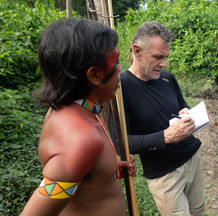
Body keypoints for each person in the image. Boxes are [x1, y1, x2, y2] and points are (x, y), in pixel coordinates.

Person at [21, 18, 136, 216]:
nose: (120, 69)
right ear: (94, 76)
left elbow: (77, 175)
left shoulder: (79, 108)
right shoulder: (82, 139)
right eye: (115, 62)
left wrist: (106, 169)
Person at [111, 21, 205, 215]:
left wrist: (186, 113)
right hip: (164, 174)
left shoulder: (167, 78)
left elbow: (182, 106)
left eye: (166, 57)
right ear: (136, 51)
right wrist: (165, 137)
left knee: (199, 211)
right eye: (158, 57)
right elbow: (120, 142)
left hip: (192, 157)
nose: (164, 63)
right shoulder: (121, 88)